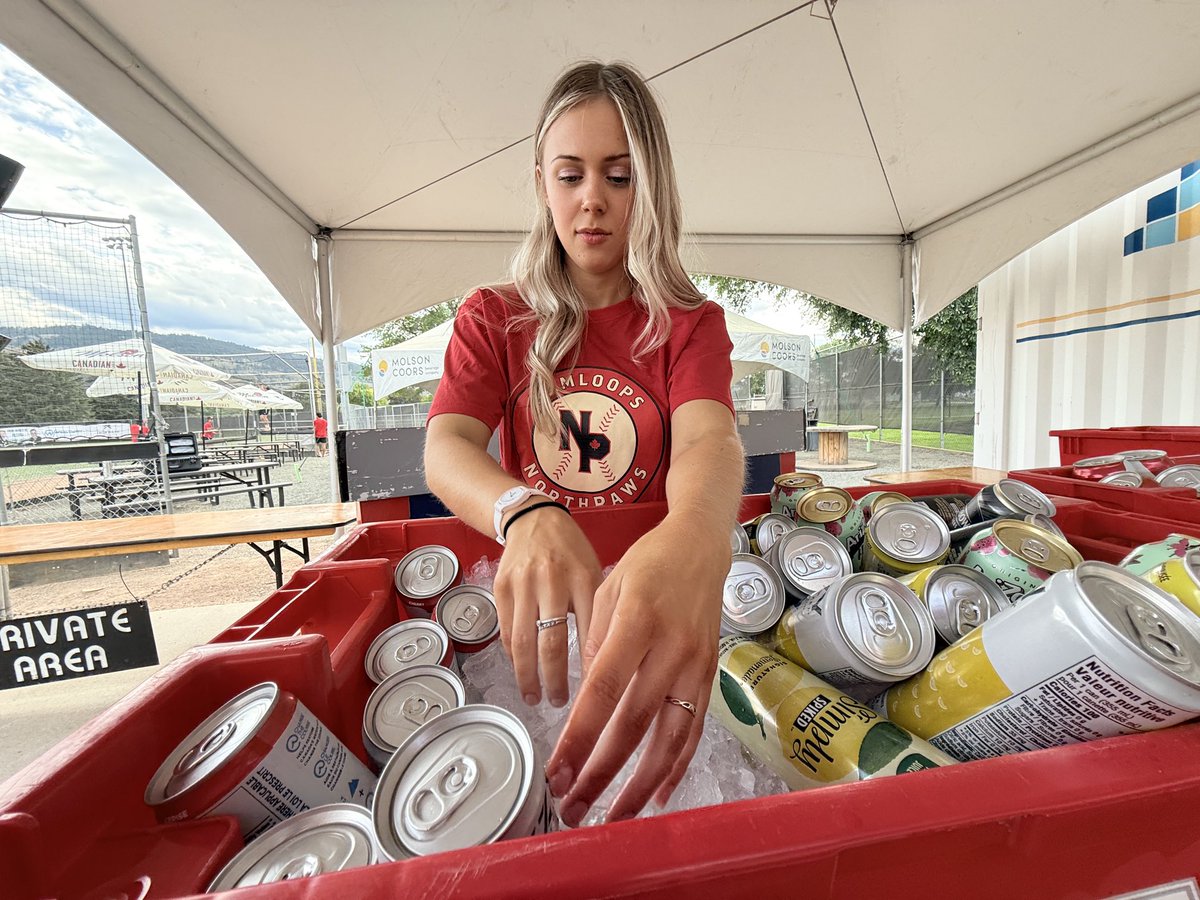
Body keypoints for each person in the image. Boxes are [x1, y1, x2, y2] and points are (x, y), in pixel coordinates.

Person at [423, 61, 744, 827]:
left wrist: (698, 533)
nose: (592, 199)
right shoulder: (493, 315)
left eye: (619, 176)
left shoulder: (690, 323)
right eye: (570, 175)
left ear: (650, 187)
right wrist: (524, 511)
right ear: (542, 183)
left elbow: (710, 438)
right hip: (540, 615)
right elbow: (446, 446)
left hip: (653, 601)